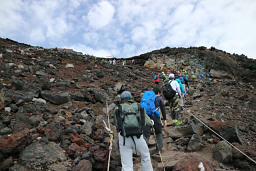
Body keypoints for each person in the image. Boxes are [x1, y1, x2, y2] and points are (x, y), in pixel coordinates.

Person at [113, 91, 153, 171]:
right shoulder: (138, 106)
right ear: (131, 98)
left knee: (126, 163)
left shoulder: (118, 108)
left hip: (124, 138)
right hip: (138, 137)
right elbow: (147, 122)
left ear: (121, 99)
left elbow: (117, 125)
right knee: (145, 156)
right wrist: (152, 122)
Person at [142, 87, 167, 153]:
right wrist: (164, 119)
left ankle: (144, 151)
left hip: (146, 116)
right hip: (155, 116)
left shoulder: (147, 97)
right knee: (158, 132)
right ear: (158, 93)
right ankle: (159, 149)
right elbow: (163, 109)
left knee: (146, 134)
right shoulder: (159, 98)